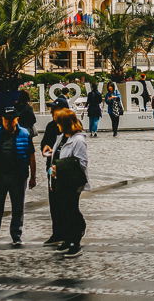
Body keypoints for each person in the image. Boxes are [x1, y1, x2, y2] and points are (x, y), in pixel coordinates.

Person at [0, 106, 37, 248]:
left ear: (16, 119)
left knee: (17, 207)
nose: (8, 122)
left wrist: (33, 176)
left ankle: (16, 235)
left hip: (18, 177)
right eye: (6, 119)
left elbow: (32, 156)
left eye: (11, 119)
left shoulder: (25, 134)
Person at [49, 108, 90, 258]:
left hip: (71, 182)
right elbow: (56, 156)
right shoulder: (61, 138)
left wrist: (61, 167)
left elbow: (81, 163)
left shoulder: (78, 140)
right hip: (59, 180)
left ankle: (75, 240)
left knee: (71, 210)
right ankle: (67, 239)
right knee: (62, 211)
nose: (57, 125)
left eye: (59, 122)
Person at [39, 97, 69, 247]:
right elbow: (45, 142)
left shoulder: (71, 126)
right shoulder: (51, 126)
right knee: (54, 202)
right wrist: (45, 147)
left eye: (54, 109)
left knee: (67, 204)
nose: (51, 112)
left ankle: (71, 233)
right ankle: (57, 232)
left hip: (66, 171)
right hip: (52, 170)